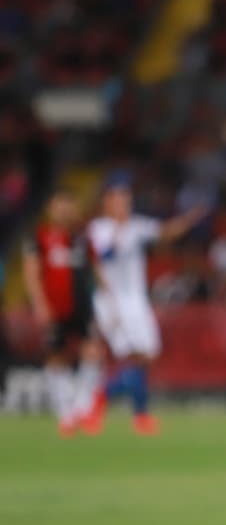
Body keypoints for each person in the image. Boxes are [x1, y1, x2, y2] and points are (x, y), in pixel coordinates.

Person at [86, 173, 206, 435]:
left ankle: (130, 411)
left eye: (126, 200)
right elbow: (101, 257)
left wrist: (189, 219)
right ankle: (103, 401)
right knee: (135, 356)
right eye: (119, 200)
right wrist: (118, 232)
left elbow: (164, 233)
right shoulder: (99, 229)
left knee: (145, 357)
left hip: (135, 302)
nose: (124, 205)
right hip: (113, 302)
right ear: (107, 202)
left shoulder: (136, 226)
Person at [21, 191, 104, 436]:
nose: (65, 211)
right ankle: (66, 413)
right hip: (55, 307)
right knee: (57, 357)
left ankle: (81, 407)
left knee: (92, 352)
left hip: (82, 304)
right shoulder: (38, 237)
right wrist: (39, 304)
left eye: (69, 205)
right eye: (60, 206)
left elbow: (95, 267)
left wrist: (109, 294)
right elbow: (31, 272)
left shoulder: (81, 237)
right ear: (50, 208)